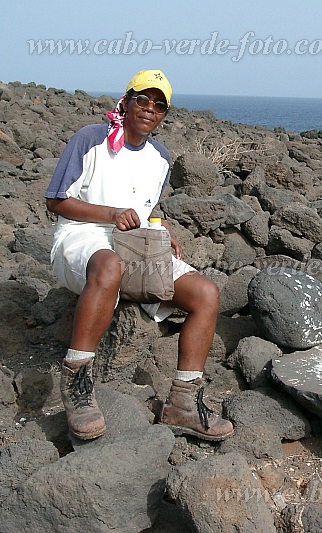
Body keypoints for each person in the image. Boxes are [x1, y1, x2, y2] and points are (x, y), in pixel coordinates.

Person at [45, 69, 234, 441]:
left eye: (159, 105)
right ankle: (78, 384)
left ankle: (182, 403)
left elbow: (146, 207)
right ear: (126, 101)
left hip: (136, 242)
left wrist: (161, 226)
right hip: (82, 237)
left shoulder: (160, 158)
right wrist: (111, 214)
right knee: (109, 264)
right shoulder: (90, 139)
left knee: (205, 294)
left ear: (164, 115)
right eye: (142, 99)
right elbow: (56, 200)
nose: (150, 109)